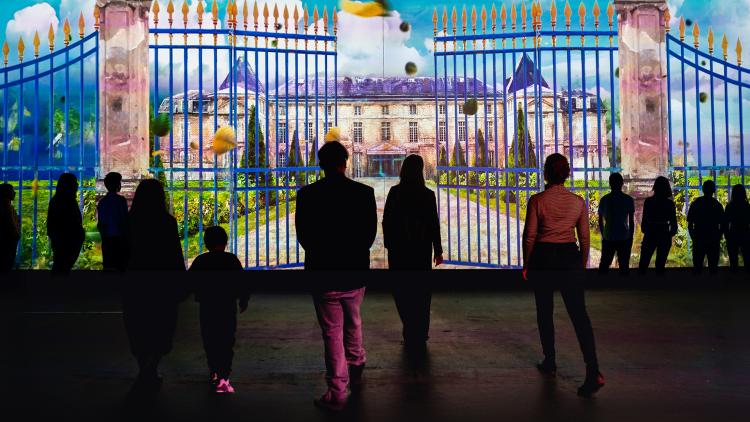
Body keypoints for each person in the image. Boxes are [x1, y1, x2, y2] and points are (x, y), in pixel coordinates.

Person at [295, 141, 377, 411]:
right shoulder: (364, 193)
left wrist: (323, 253)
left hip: (323, 270)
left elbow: (304, 236)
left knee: (332, 331)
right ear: (346, 162)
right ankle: (355, 360)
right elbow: (368, 235)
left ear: (320, 165)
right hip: (354, 269)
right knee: (353, 319)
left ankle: (337, 389)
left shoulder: (307, 195)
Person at [522, 153, 604, 398]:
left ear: (546, 173)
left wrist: (527, 264)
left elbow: (530, 236)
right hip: (569, 258)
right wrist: (581, 263)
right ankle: (593, 370)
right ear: (567, 174)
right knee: (580, 316)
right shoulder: (577, 202)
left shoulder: (537, 201)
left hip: (544, 258)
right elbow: (585, 238)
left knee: (544, 311)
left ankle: (550, 360)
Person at [123, 179, 186, 394]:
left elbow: (120, 253)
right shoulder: (167, 222)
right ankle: (151, 368)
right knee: (161, 326)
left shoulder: (129, 221)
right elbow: (175, 254)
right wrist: (180, 281)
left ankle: (145, 369)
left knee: (138, 326)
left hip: (136, 281)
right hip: (161, 282)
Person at [382, 154, 443, 355]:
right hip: (420, 250)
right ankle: (420, 331)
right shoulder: (427, 194)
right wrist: (438, 250)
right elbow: (434, 224)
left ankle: (410, 327)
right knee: (422, 293)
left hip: (399, 251)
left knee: (401, 291)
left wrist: (390, 244)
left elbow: (386, 221)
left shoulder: (395, 192)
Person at [189, 226, 248, 394]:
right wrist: (243, 299)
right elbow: (242, 282)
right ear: (225, 242)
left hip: (207, 306)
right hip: (227, 306)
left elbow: (189, 281)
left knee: (210, 338)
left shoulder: (201, 261)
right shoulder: (231, 260)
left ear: (206, 243)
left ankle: (214, 369)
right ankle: (224, 373)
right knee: (227, 339)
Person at [638, 176, 678, 275]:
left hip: (651, 232)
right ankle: (659, 286)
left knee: (644, 263)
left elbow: (644, 221)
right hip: (664, 232)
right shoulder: (669, 203)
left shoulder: (649, 201)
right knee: (660, 265)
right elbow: (674, 223)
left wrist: (646, 231)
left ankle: (640, 285)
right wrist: (670, 234)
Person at [47, 173, 85, 275]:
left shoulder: (56, 201)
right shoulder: (69, 201)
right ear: (69, 185)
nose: (77, 186)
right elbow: (73, 223)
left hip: (61, 242)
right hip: (67, 243)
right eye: (75, 183)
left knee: (60, 268)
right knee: (62, 269)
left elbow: (51, 226)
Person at [597, 173, 635, 275]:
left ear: (610, 183)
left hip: (608, 236)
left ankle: (601, 284)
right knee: (624, 264)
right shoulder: (628, 199)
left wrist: (603, 234)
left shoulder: (604, 199)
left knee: (604, 263)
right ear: (622, 183)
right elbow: (631, 221)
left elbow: (600, 220)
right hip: (623, 235)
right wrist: (630, 236)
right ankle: (623, 285)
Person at [687, 180, 725, 275]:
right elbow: (723, 224)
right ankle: (713, 287)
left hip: (699, 237)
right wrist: (718, 237)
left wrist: (693, 237)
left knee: (697, 266)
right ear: (714, 190)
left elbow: (690, 223)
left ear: (703, 189)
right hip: (713, 237)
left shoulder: (696, 203)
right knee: (713, 267)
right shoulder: (717, 205)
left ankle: (697, 287)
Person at [97, 172, 129, 271]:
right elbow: (124, 220)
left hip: (107, 238)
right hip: (119, 238)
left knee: (108, 265)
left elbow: (101, 223)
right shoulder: (121, 201)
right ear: (118, 185)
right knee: (120, 266)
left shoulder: (102, 202)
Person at [724, 184, 749, 272]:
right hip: (745, 234)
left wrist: (727, 235)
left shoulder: (730, 206)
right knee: (747, 259)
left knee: (733, 260)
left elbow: (725, 223)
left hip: (733, 234)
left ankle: (733, 280)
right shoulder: (747, 206)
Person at [0, 183, 20, 272]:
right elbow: (11, 223)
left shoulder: (6, 206)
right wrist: (16, 234)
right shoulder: (7, 207)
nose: (14, 193)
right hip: (8, 240)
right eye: (12, 191)